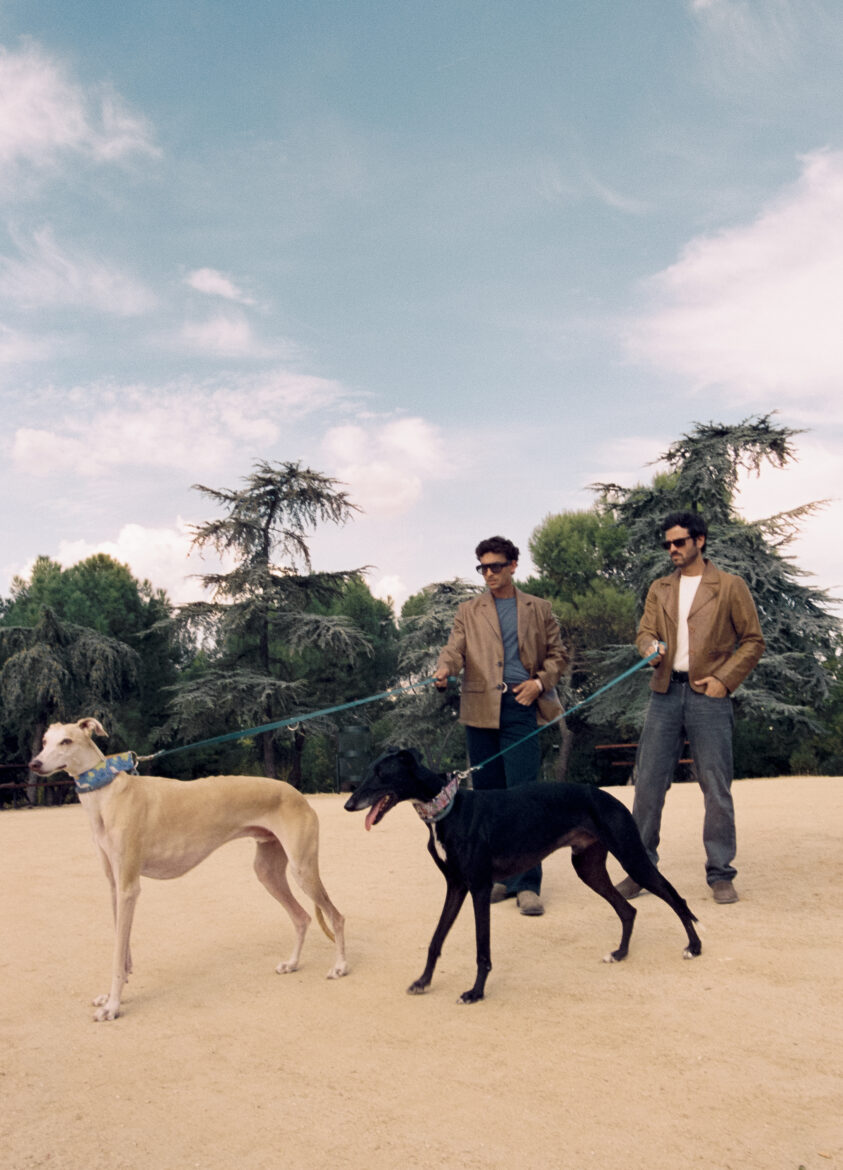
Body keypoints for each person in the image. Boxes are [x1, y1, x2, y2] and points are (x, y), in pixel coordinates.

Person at [615, 512, 765, 905]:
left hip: (708, 697)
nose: (672, 550)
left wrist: (723, 681)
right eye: (667, 544)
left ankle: (720, 874)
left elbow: (753, 641)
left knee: (716, 788)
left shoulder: (730, 586)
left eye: (679, 542)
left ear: (700, 541)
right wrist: (648, 648)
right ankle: (641, 870)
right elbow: (645, 632)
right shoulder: (660, 588)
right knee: (647, 786)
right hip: (664, 694)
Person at [435, 535, 567, 916]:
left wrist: (539, 683)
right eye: (482, 567)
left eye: (495, 566)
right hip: (478, 706)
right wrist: (445, 669)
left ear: (513, 565)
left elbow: (558, 656)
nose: (488, 573)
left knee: (525, 797)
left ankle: (527, 883)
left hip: (521, 705)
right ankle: (496, 877)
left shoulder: (539, 608)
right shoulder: (467, 610)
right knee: (487, 799)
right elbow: (454, 649)